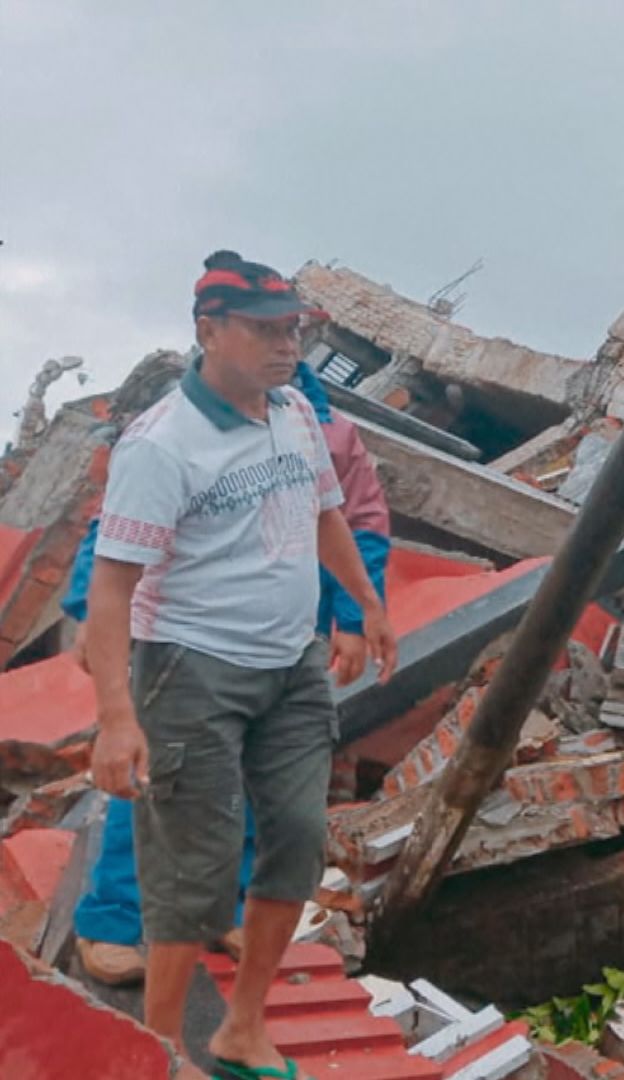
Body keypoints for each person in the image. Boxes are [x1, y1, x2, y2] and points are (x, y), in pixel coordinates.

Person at [86, 250, 395, 1079]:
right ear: (208, 330)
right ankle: (157, 1054)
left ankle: (241, 1029)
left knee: (294, 840)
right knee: (192, 867)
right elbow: (110, 589)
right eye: (263, 329)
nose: (284, 344)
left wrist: (365, 604)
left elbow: (329, 513)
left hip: (290, 663)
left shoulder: (293, 411)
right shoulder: (162, 446)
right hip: (190, 668)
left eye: (291, 327)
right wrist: (118, 718)